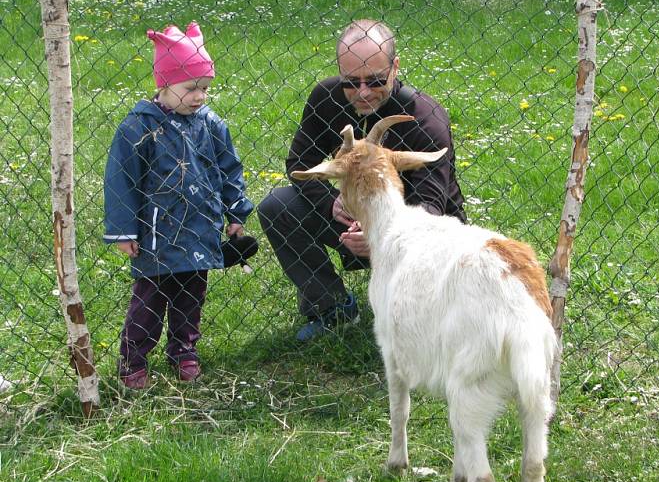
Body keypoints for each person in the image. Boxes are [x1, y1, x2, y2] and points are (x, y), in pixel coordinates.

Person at [258, 19, 466, 342]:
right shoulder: (326, 98)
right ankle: (333, 308)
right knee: (277, 206)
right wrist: (332, 205)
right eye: (350, 82)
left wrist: (381, 235)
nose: (362, 92)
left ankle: (420, 322)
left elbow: (432, 209)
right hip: (354, 221)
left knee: (423, 330)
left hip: (423, 240)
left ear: (395, 68)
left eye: (375, 80)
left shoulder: (425, 119)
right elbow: (300, 161)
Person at [104, 22, 253, 389]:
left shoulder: (211, 124)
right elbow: (121, 180)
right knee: (150, 300)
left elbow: (229, 169)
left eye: (205, 88)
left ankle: (184, 349)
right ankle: (133, 358)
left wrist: (236, 213)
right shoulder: (139, 127)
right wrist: (125, 230)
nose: (200, 96)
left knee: (191, 295)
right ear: (164, 83)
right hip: (157, 233)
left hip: (201, 229)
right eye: (191, 88)